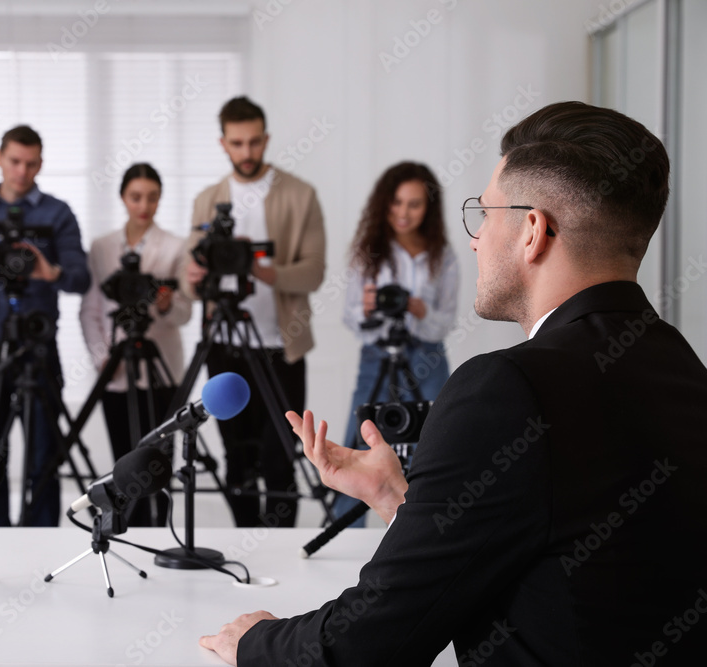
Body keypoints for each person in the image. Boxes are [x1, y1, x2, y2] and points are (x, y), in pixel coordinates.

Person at [200, 101, 707, 664]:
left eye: (486, 215)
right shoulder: (682, 366)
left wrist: (255, 641)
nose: (475, 239)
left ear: (532, 232)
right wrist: (399, 500)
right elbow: (565, 558)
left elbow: (369, 645)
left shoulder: (507, 388)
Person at [180, 96, 326, 528]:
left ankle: (281, 547)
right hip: (224, 347)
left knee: (281, 453)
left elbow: (314, 273)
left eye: (254, 142)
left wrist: (258, 268)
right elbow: (194, 283)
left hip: (282, 346)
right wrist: (193, 276)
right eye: (237, 143)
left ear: (266, 140)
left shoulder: (300, 195)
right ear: (223, 143)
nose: (247, 153)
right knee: (236, 456)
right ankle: (247, 541)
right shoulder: (208, 201)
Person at [0, 124, 90, 527]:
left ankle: (40, 536)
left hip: (39, 348)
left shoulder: (58, 213)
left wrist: (48, 271)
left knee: (44, 450)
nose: (22, 172)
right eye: (15, 162)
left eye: (31, 163)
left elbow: (81, 278)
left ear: (41, 163)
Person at [334, 162, 459, 525]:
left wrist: (419, 310)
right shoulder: (369, 252)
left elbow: (446, 321)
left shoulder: (443, 256)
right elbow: (350, 317)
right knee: (359, 441)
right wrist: (369, 309)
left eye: (414, 204)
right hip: (376, 354)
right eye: (397, 202)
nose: (403, 213)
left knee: (436, 443)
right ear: (384, 203)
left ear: (428, 207)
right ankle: (347, 528)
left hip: (428, 357)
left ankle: (431, 527)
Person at [79, 163, 192, 526]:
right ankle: (126, 525)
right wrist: (102, 357)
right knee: (124, 458)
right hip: (116, 367)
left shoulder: (175, 247)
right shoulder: (101, 247)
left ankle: (160, 530)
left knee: (159, 459)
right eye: (136, 197)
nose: (144, 205)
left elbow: (185, 311)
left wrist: (165, 305)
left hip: (162, 372)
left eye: (152, 197)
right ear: (123, 198)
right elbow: (91, 308)